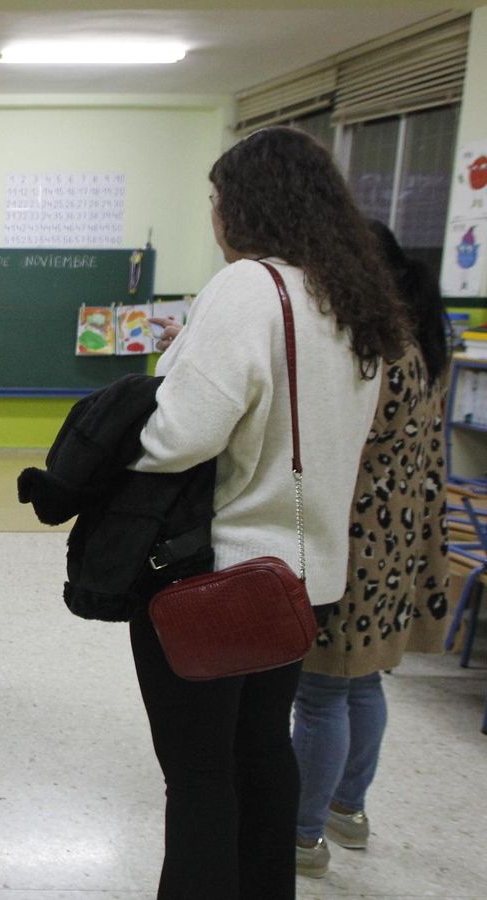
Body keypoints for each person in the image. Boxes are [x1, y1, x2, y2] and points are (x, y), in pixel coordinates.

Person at [128, 126, 411, 899]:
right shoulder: (346, 294)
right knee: (261, 754)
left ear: (248, 207)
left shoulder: (251, 287)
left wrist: (118, 447)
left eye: (216, 201)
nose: (214, 217)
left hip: (219, 578)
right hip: (300, 578)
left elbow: (181, 436)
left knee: (197, 776)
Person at [291, 219, 452, 879]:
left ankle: (303, 836)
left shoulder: (371, 354)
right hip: (398, 541)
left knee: (324, 691)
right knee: (360, 684)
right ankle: (348, 808)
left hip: (352, 543)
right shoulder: (416, 345)